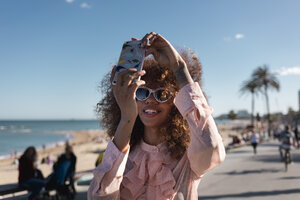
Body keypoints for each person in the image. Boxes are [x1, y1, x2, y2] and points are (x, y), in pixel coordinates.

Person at [88, 32, 226, 199]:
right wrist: (127, 118)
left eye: (162, 94)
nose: (150, 100)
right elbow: (99, 196)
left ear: (177, 103)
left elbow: (210, 145)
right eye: (142, 92)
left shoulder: (187, 158)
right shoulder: (123, 155)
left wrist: (179, 67)